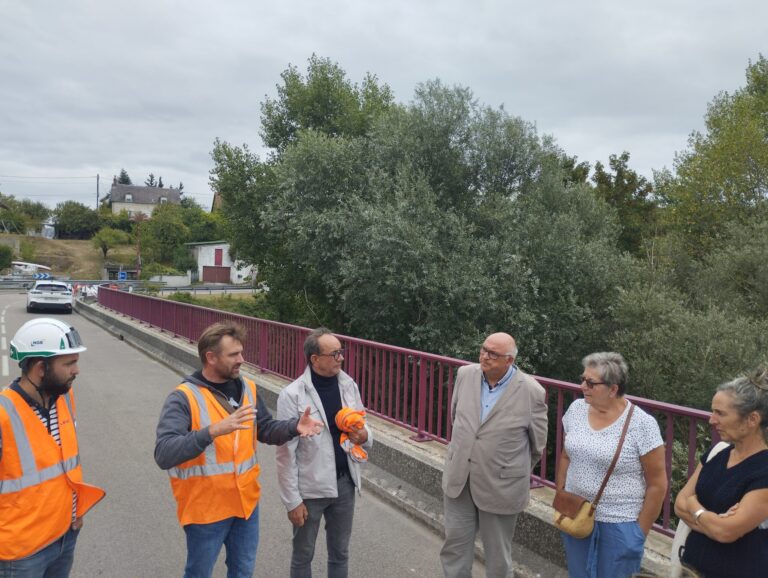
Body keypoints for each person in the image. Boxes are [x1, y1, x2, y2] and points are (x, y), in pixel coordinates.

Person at [154, 321, 324, 578]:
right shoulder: (183, 397)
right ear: (210, 357)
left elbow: (264, 428)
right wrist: (211, 431)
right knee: (199, 573)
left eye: (241, 352)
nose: (242, 360)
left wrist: (294, 427)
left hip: (245, 506)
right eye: (233, 355)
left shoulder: (248, 389)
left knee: (243, 572)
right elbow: (164, 453)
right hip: (206, 511)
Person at [0, 318, 105, 576]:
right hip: (22, 553)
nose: (77, 370)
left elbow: (64, 466)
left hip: (65, 536)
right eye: (69, 363)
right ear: (41, 368)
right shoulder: (3, 414)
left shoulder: (64, 398)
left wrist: (75, 511)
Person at [440, 332, 548, 578]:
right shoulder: (465, 375)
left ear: (509, 360)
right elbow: (457, 417)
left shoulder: (531, 391)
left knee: (498, 558)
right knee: (454, 548)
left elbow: (537, 446)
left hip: (501, 485)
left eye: (493, 354)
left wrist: (507, 469)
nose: (484, 357)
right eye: (483, 349)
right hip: (460, 478)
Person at [556, 352, 667, 578]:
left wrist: (638, 533)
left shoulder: (642, 424)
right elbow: (567, 456)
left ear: (613, 389)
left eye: (590, 382)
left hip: (619, 524)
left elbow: (658, 484)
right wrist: (561, 495)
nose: (582, 386)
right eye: (583, 379)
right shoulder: (577, 409)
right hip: (576, 514)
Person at [275, 327, 372, 578]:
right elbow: (285, 453)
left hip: (344, 483)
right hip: (310, 489)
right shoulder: (292, 395)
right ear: (314, 359)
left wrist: (365, 436)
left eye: (341, 352)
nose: (341, 358)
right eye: (335, 354)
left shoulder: (348, 385)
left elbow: (361, 423)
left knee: (340, 553)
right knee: (303, 555)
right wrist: (292, 500)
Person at [674, 368, 768, 578]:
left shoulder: (764, 470)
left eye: (720, 413)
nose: (711, 420)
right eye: (712, 411)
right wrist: (712, 524)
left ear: (752, 419)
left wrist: (695, 507)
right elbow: (679, 504)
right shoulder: (717, 453)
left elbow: (726, 532)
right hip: (691, 568)